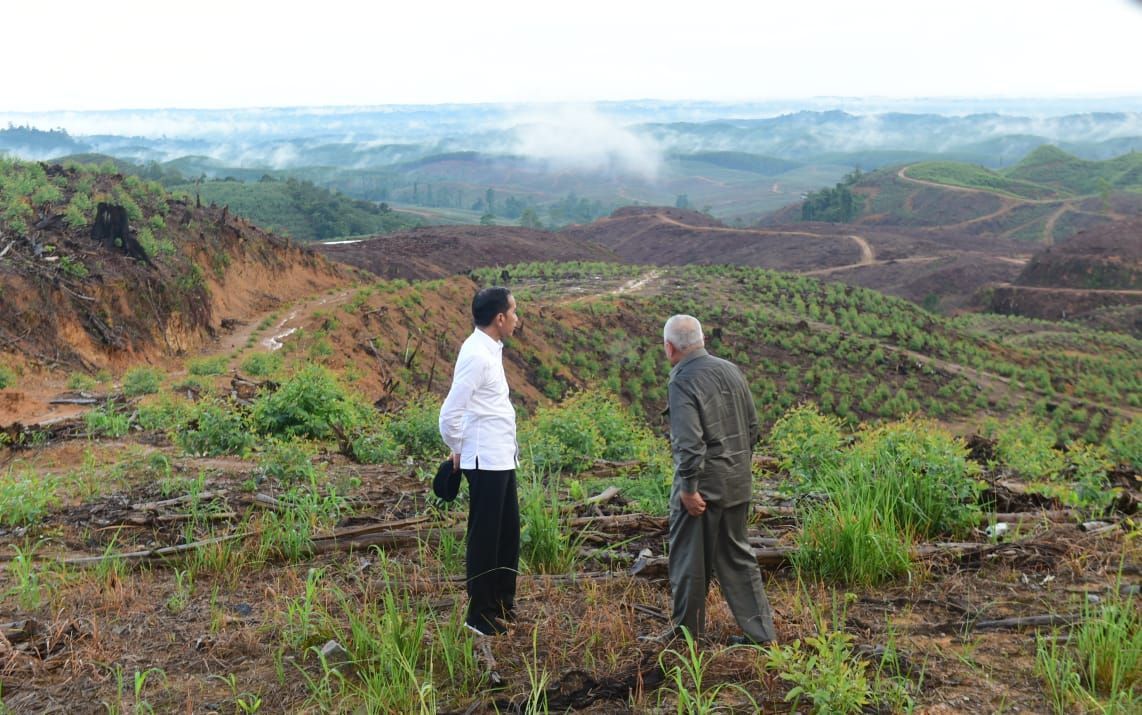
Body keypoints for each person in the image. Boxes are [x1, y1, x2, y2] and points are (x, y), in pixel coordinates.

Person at [660, 314, 776, 645]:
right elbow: (753, 427)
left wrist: (689, 488)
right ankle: (762, 634)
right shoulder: (730, 370)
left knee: (689, 562)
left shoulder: (681, 379)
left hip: (704, 489)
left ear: (670, 348)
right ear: (701, 340)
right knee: (739, 558)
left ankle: (686, 636)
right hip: (738, 481)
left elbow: (689, 442)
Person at [439, 286, 521, 636]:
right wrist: (458, 448)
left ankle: (501, 602)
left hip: (500, 456)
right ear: (499, 318)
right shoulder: (476, 354)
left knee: (507, 533)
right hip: (484, 458)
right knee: (485, 537)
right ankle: (479, 615)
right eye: (514, 312)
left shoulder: (490, 349)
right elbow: (450, 413)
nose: (518, 318)